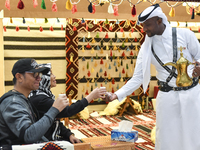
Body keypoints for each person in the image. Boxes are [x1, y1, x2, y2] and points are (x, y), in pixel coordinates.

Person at [104, 4, 200, 150]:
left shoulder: (185, 34)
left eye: (147, 25)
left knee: (192, 135)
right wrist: (116, 95)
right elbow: (137, 78)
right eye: (142, 26)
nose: (144, 29)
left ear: (159, 21)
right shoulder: (146, 47)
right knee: (167, 137)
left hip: (192, 94)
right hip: (167, 97)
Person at [0, 58, 71, 148]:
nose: (39, 78)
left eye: (39, 74)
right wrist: (55, 109)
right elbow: (29, 135)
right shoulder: (12, 103)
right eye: (34, 74)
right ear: (19, 77)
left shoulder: (22, 99)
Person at [28, 63, 107, 143]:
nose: (54, 76)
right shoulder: (39, 99)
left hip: (52, 136)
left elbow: (54, 121)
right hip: (45, 141)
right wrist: (91, 96)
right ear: (43, 78)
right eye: (51, 74)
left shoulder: (42, 95)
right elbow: (67, 111)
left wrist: (69, 135)